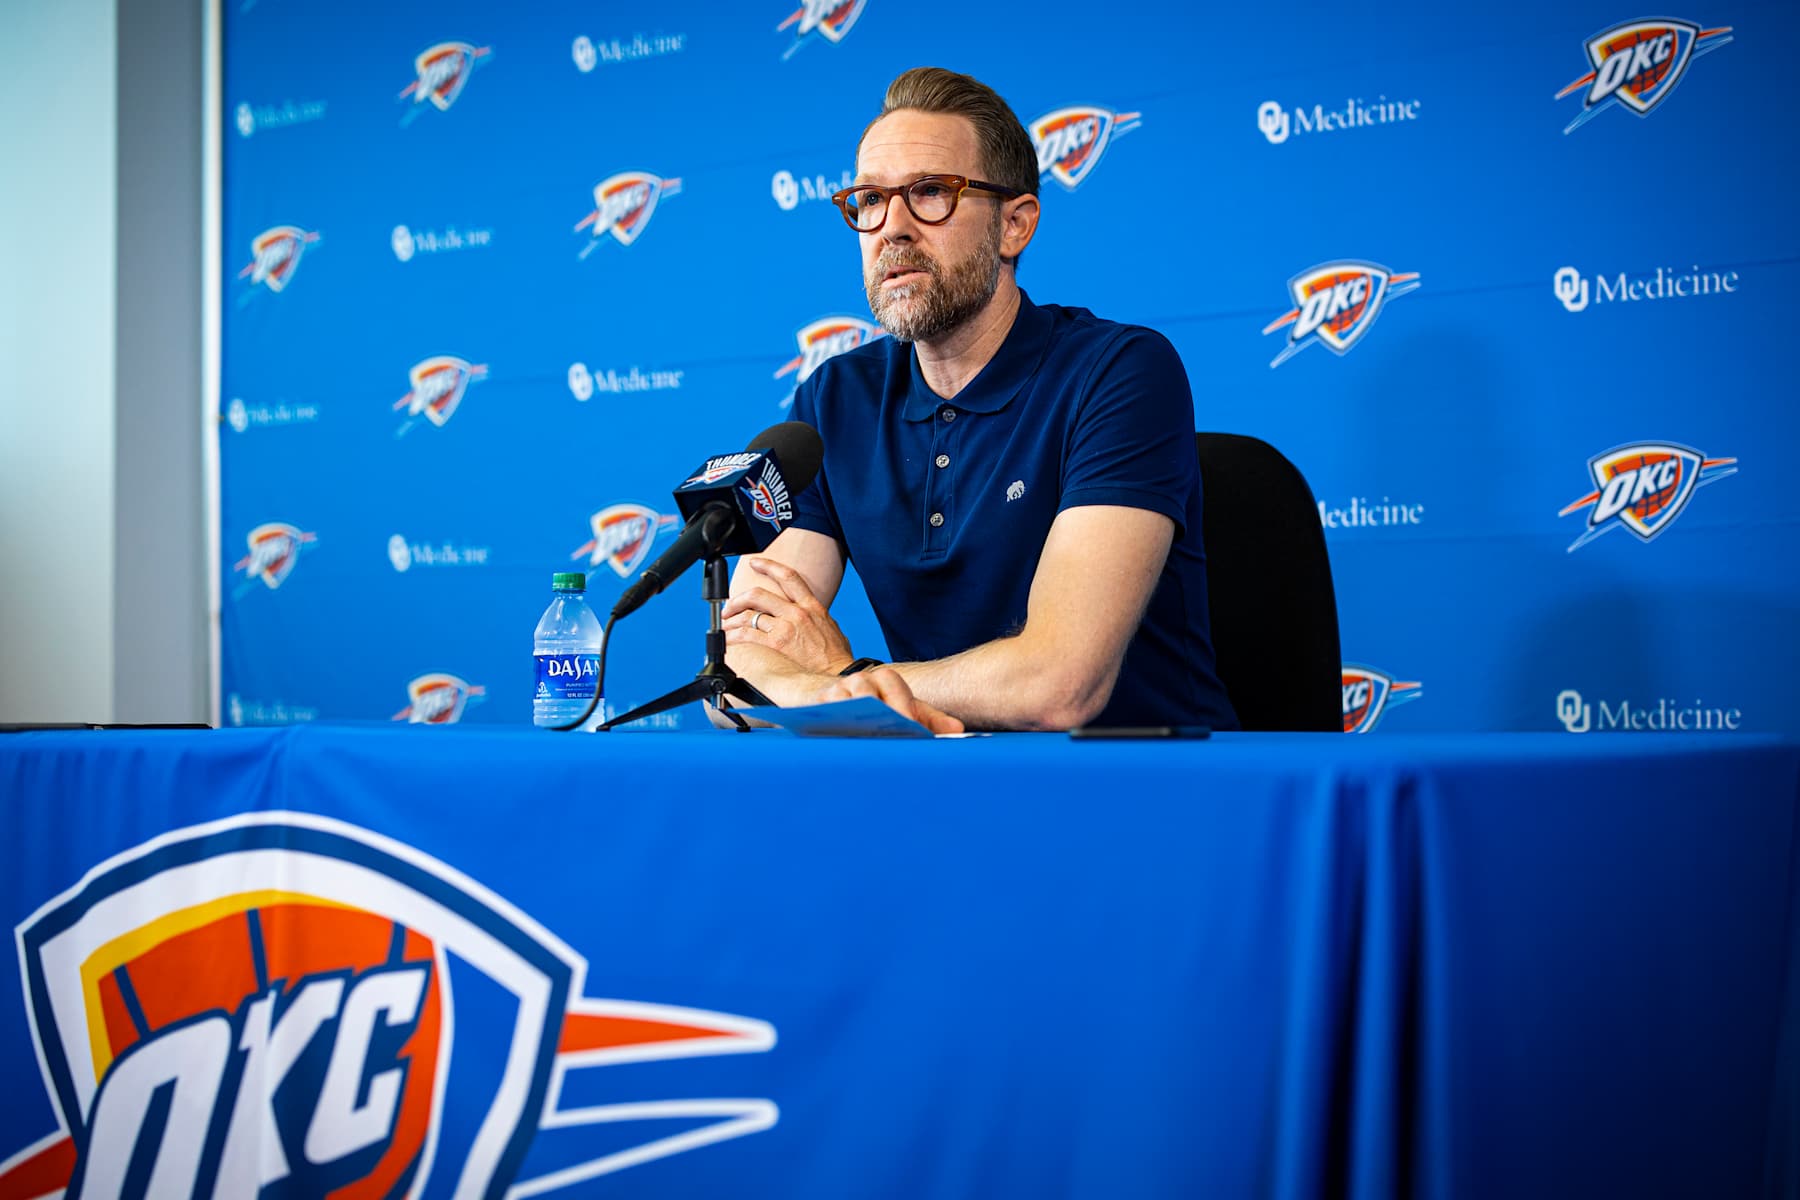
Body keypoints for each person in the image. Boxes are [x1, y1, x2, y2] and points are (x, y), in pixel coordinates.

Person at [713, 67, 1238, 735]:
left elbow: (1060, 685)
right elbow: (737, 665)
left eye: (930, 192)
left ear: (1015, 225)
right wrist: (816, 687)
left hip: (1145, 794)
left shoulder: (1119, 371)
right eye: (869, 200)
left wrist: (845, 683)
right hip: (947, 790)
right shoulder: (833, 399)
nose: (891, 228)